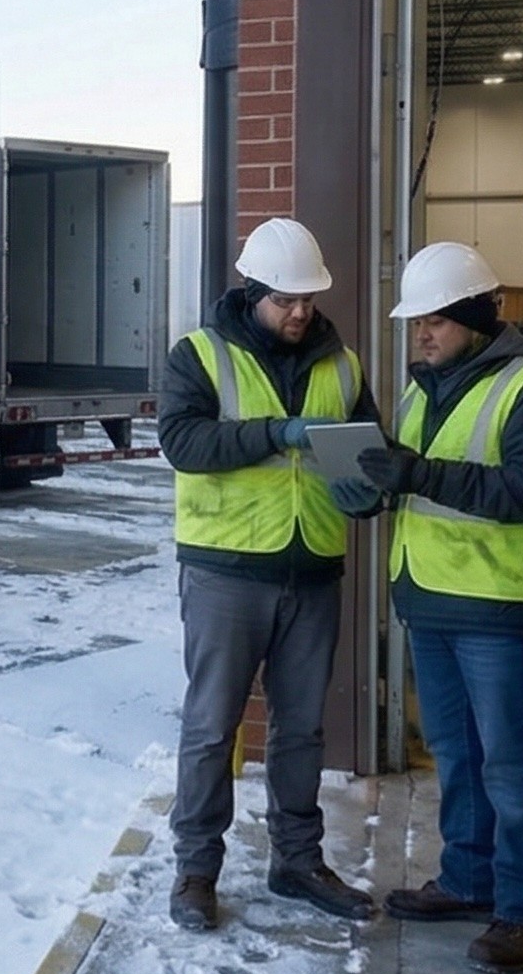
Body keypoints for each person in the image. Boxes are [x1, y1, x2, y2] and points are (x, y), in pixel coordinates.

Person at [354, 241, 523, 974]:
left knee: (511, 763)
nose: (421, 334)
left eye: (435, 320)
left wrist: (417, 473)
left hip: (504, 607)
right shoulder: (423, 391)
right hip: (432, 598)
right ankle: (468, 879)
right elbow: (421, 483)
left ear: (477, 320)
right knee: (456, 754)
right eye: (416, 322)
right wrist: (374, 485)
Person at [159, 217, 381, 933]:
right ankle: (196, 870)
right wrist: (274, 434)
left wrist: (367, 488)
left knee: (301, 730)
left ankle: (297, 861)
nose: (299, 313)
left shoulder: (342, 366)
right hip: (225, 569)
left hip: (312, 567)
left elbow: (366, 449)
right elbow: (182, 442)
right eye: (285, 301)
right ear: (253, 293)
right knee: (210, 727)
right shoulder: (200, 355)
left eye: (308, 300)